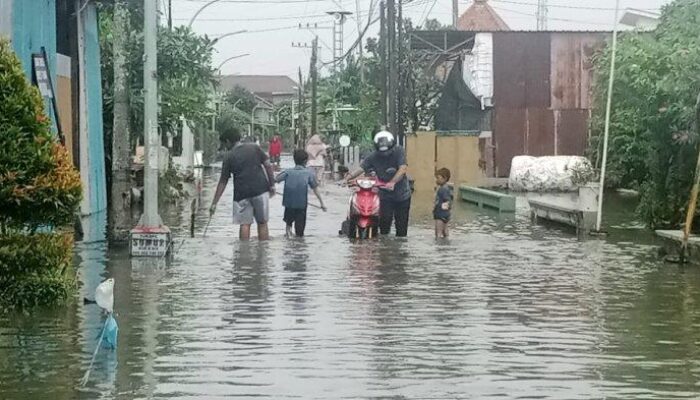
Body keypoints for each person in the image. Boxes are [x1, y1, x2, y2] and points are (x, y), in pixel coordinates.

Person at [209, 128, 276, 240]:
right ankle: (263, 251)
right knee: (262, 223)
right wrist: (272, 185)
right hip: (260, 190)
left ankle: (243, 253)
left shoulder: (228, 156)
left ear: (228, 141)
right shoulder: (254, 147)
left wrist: (214, 203)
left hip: (241, 194)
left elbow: (223, 181)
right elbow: (268, 165)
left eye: (224, 144)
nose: (224, 147)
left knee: (245, 224)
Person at [345, 130, 411, 237]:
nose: (384, 154)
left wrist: (392, 182)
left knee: (401, 229)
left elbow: (402, 169)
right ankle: (384, 249)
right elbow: (361, 168)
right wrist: (348, 178)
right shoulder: (373, 156)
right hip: (385, 196)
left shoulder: (399, 151)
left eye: (387, 151)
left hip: (402, 195)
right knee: (384, 225)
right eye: (382, 152)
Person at [275, 149, 327, 237]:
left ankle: (288, 239)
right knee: (300, 233)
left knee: (288, 227)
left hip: (289, 204)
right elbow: (315, 189)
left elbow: (275, 180)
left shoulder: (287, 172)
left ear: (294, 160)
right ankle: (299, 247)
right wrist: (322, 203)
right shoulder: (309, 173)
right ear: (306, 161)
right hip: (301, 206)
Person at [433, 168, 453, 238]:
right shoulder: (446, 188)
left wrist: (439, 210)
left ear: (445, 178)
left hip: (440, 215)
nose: (436, 180)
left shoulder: (442, 189)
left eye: (438, 178)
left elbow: (447, 201)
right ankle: (446, 246)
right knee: (445, 232)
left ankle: (438, 246)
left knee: (438, 233)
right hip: (445, 215)